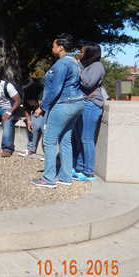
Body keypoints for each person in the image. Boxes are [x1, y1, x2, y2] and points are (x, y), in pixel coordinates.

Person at [32, 34, 85, 188]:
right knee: (65, 141)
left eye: (54, 46)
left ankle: (48, 178)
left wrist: (42, 107)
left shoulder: (62, 64)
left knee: (49, 141)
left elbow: (56, 89)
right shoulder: (75, 62)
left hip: (63, 104)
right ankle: (65, 176)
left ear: (60, 47)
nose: (52, 48)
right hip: (77, 103)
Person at [73, 43, 106, 181]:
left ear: (89, 53)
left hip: (91, 104)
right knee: (79, 137)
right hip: (83, 103)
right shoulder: (87, 66)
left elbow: (88, 84)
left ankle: (88, 171)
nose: (79, 54)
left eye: (81, 52)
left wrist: (78, 69)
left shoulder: (97, 66)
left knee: (87, 139)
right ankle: (79, 167)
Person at [18, 78, 46, 157]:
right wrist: (28, 121)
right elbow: (26, 108)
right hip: (36, 112)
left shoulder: (44, 87)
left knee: (45, 128)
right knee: (33, 126)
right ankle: (31, 149)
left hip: (48, 111)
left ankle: (48, 152)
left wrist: (41, 108)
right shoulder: (26, 91)